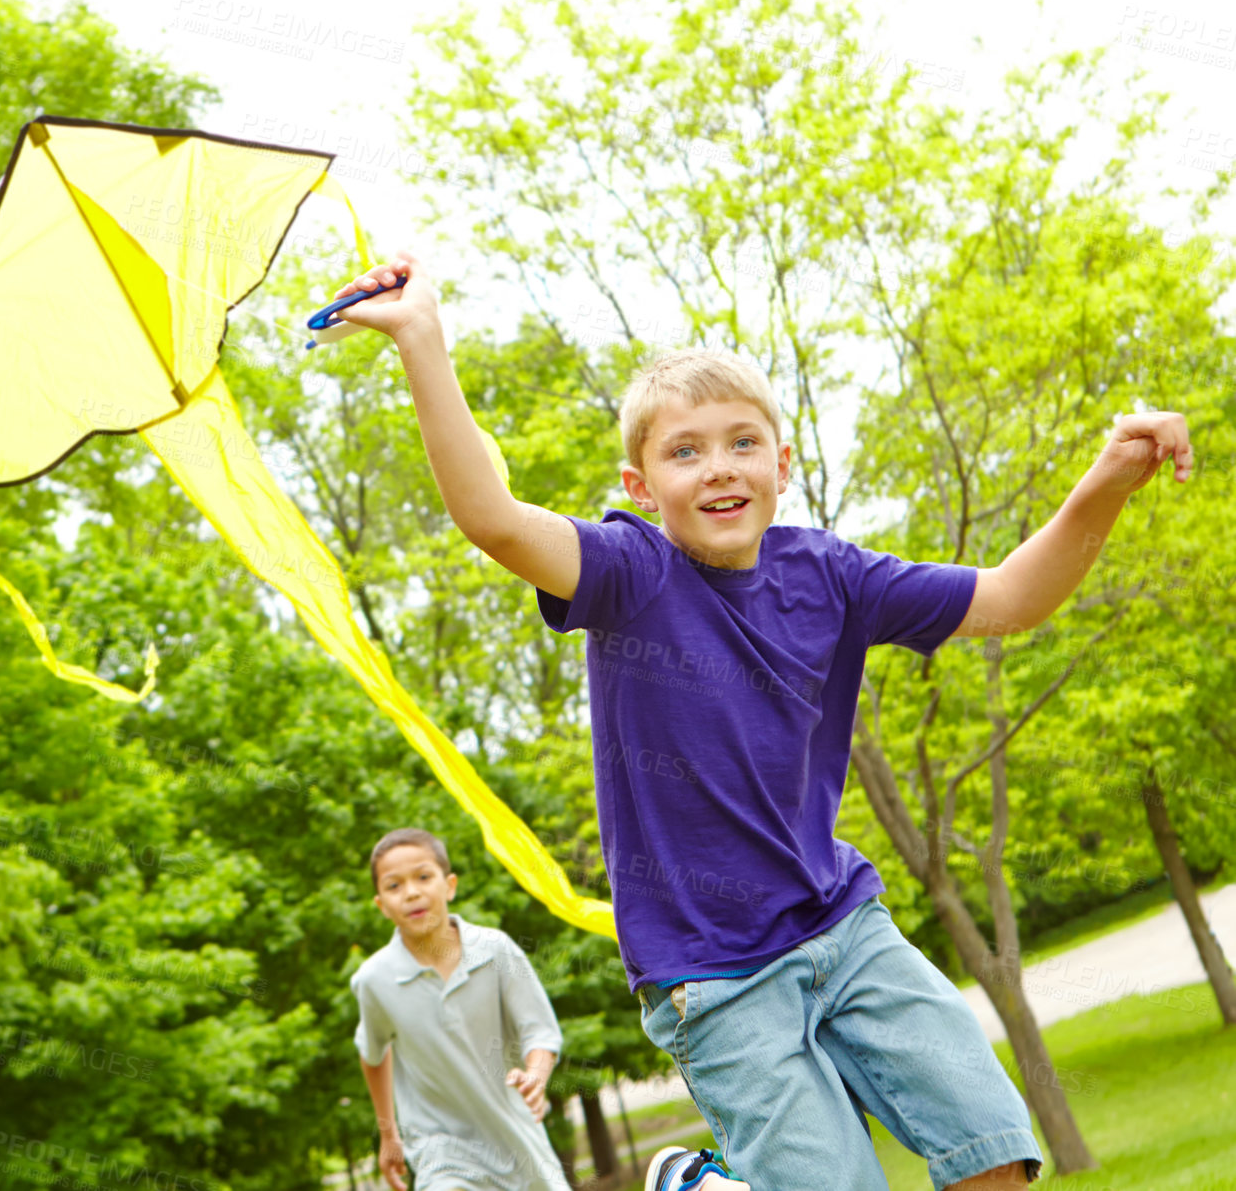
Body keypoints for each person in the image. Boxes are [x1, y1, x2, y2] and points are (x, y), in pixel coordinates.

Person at [331, 253, 1193, 1191]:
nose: (718, 468)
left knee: (994, 1155)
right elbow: (493, 518)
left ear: (782, 463)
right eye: (684, 451)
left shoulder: (833, 576)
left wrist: (1108, 478)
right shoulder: (629, 573)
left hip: (843, 924)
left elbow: (1014, 597)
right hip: (713, 973)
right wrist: (423, 340)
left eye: (742, 443)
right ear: (642, 482)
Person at [352, 827, 572, 1191]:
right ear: (381, 905)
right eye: (394, 886)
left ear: (449, 884)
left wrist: (536, 1073)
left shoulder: (495, 950)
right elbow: (373, 1054)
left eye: (423, 877)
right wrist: (389, 1136)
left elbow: (540, 1031)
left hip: (517, 1139)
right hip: (441, 1152)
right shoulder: (374, 980)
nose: (411, 892)